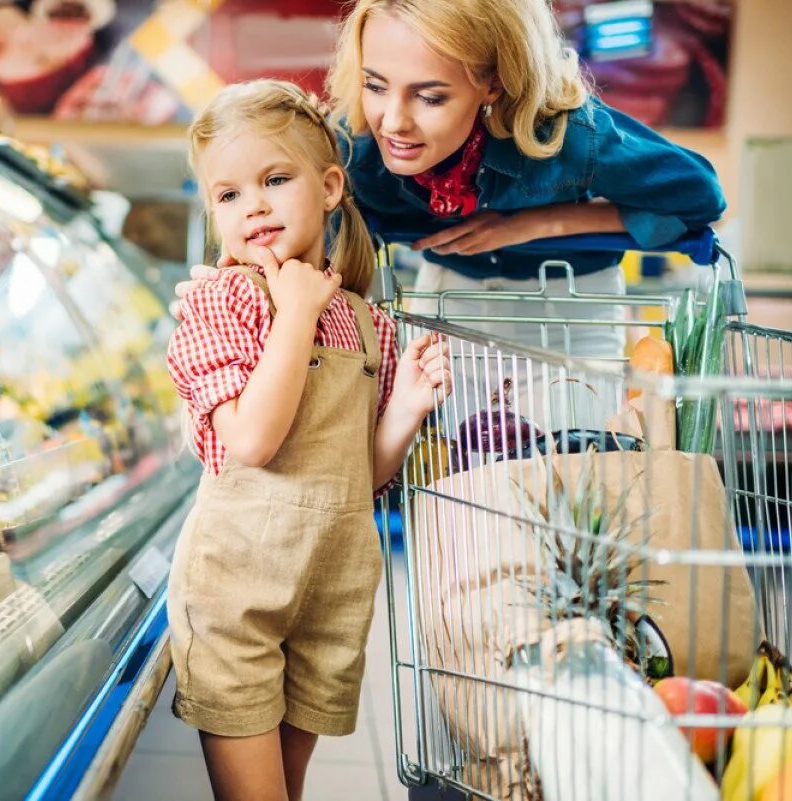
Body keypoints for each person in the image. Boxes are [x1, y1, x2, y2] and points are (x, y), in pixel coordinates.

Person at [166, 79, 451, 801]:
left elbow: (365, 474)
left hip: (329, 593)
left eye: (274, 178)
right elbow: (252, 441)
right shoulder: (219, 301)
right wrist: (293, 313)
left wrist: (407, 407)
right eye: (227, 195)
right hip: (237, 593)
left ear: (328, 187)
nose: (252, 205)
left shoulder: (365, 319)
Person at [177, 0, 726, 362]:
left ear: (493, 84)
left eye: (430, 96)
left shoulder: (566, 135)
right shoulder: (353, 149)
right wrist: (225, 292)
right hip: (450, 308)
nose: (393, 121)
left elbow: (700, 198)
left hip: (572, 311)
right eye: (375, 85)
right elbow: (288, 232)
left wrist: (534, 223)